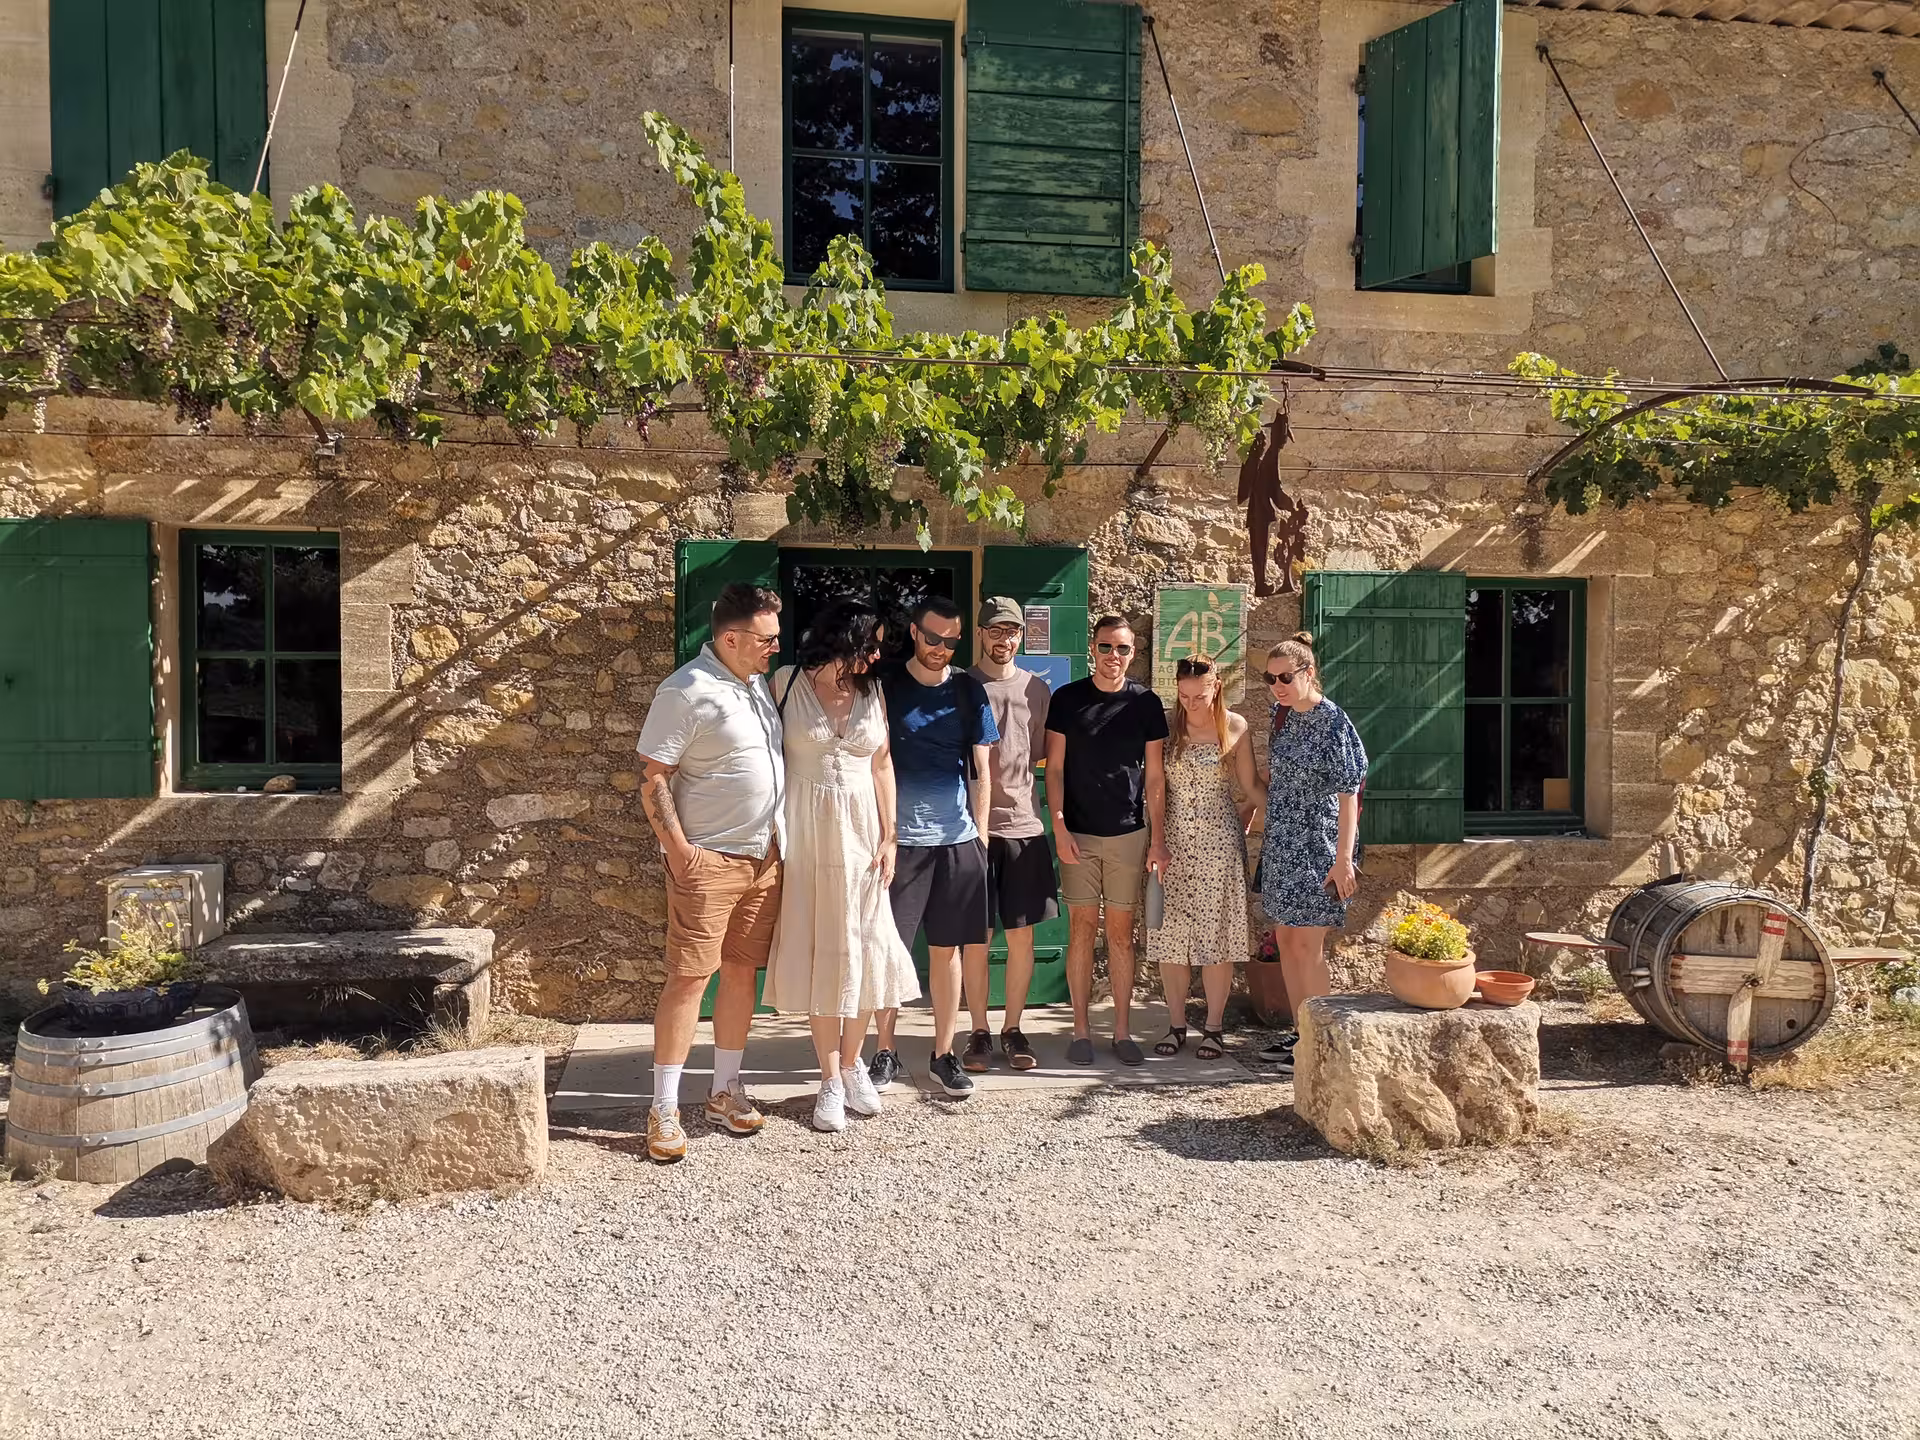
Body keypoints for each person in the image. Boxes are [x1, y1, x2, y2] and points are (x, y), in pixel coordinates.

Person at [634, 583, 786, 1164]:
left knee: (742, 972)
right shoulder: (685, 691)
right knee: (689, 978)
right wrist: (679, 852)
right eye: (767, 637)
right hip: (709, 860)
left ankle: (724, 1091)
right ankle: (664, 1108)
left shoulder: (753, 685)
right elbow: (653, 777)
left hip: (762, 857)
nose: (775, 646)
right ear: (731, 638)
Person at [763, 600, 920, 1133]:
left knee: (865, 948)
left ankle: (852, 1064)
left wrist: (891, 836)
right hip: (807, 835)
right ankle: (829, 1078)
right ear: (843, 637)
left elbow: (882, 764)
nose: (877, 654)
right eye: (869, 643)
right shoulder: (785, 682)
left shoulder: (872, 690)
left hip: (864, 838)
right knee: (824, 951)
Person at [871, 595, 998, 1099]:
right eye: (932, 638)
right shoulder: (884, 684)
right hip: (898, 845)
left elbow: (982, 771)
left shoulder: (969, 691)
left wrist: (982, 838)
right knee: (890, 950)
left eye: (951, 640)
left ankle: (944, 1054)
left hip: (957, 842)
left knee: (948, 954)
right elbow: (871, 763)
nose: (941, 648)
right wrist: (881, 834)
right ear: (913, 631)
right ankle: (885, 1050)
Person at [1044, 615, 1170, 1066]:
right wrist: (1057, 826)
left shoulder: (1146, 704)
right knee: (1080, 931)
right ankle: (1080, 1031)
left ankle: (1121, 1031)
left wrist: (1157, 839)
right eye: (1105, 647)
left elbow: (1154, 776)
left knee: (1121, 935)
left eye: (1122, 649)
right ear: (1092, 649)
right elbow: (1054, 768)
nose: (1113, 657)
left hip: (1128, 834)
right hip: (1077, 832)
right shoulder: (1067, 700)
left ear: (1133, 653)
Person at [1255, 631, 1367, 1075]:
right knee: (1286, 940)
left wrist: (1343, 859)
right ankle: (1305, 1032)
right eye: (1270, 677)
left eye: (1286, 676)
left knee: (1309, 943)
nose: (1278, 685)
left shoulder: (1334, 723)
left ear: (1309, 672)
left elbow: (1348, 796)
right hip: (1283, 842)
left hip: (1319, 844)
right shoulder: (1280, 714)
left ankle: (1327, 1042)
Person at [960, 596, 1056, 1073]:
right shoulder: (960, 685)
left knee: (1022, 938)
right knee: (975, 939)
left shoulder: (1038, 689)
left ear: (1021, 635)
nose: (1004, 639)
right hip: (970, 832)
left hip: (1024, 828)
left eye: (1012, 631)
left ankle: (1013, 1027)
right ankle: (978, 1031)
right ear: (981, 633)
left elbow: (1039, 755)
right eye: (996, 630)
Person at [1147, 656, 1258, 1061]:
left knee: (1218, 938)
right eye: (1184, 694)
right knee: (1171, 936)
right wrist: (1157, 841)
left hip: (1220, 844)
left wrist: (1261, 811)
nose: (1191, 703)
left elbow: (1250, 784)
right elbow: (1155, 784)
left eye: (1199, 695)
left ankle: (1213, 1027)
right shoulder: (1165, 725)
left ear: (1215, 688)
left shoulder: (1236, 726)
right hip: (1173, 840)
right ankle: (1177, 1024)